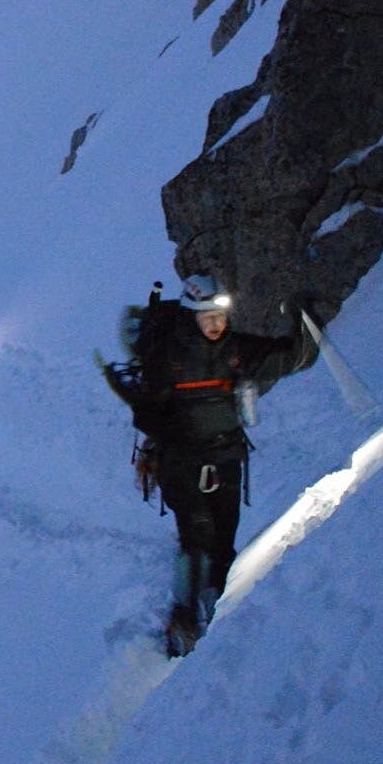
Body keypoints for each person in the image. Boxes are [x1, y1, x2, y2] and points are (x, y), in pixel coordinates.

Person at [109, 273, 318, 657]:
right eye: (208, 317)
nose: (217, 324)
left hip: (226, 458)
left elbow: (292, 357)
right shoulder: (168, 357)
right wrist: (176, 434)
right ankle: (184, 617)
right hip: (181, 463)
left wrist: (307, 320)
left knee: (223, 540)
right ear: (191, 315)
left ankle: (220, 608)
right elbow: (145, 412)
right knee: (196, 534)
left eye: (221, 317)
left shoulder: (235, 350)